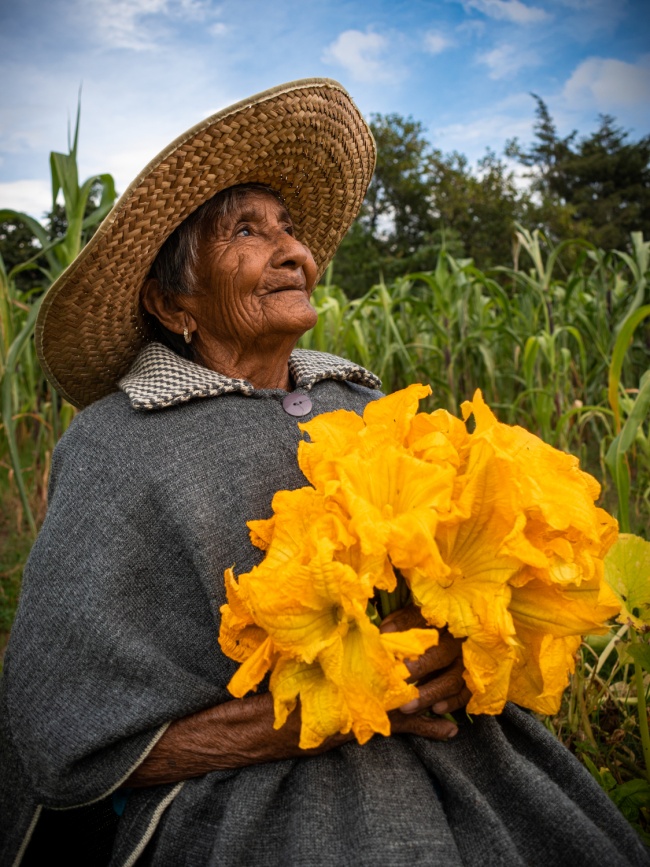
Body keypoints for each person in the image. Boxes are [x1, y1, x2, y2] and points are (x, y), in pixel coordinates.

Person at [0, 79, 647, 867]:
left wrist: (457, 653)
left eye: (292, 230)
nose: (294, 253)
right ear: (175, 304)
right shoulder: (118, 445)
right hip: (255, 787)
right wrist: (330, 702)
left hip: (452, 739)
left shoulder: (360, 396)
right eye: (246, 230)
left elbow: (459, 565)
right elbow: (64, 723)